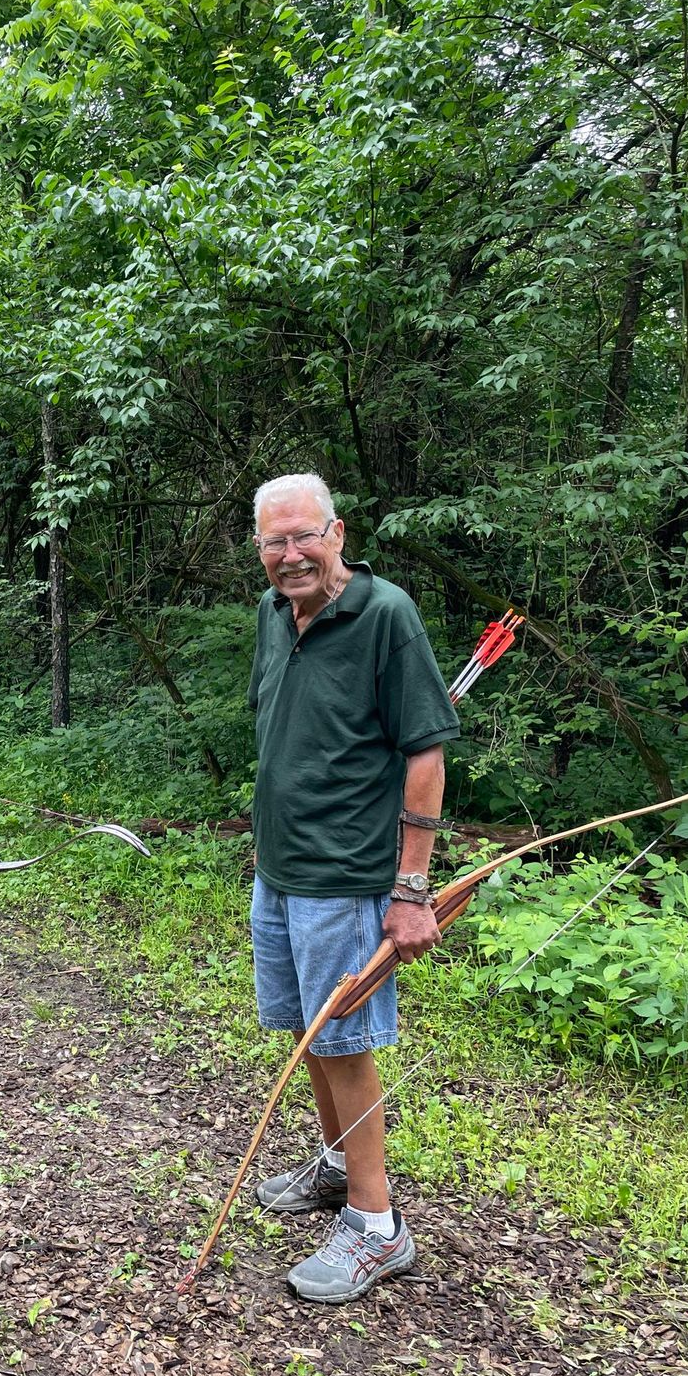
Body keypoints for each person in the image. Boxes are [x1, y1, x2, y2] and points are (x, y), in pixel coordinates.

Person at [247, 472, 459, 1304]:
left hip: (349, 874)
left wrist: (411, 889)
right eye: (274, 541)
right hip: (283, 868)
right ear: (260, 549)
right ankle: (339, 1167)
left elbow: (426, 755)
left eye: (305, 536)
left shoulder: (385, 615)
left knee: (343, 1041)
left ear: (337, 533)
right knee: (307, 1029)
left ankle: (377, 1227)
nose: (291, 554)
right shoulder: (272, 615)